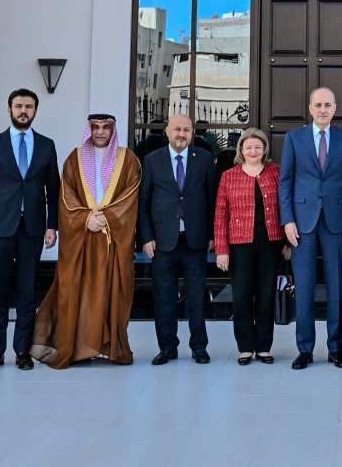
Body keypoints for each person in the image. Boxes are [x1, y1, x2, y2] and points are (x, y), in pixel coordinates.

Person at [31, 112, 141, 367]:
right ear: (89, 130)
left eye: (105, 127)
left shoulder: (128, 159)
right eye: (95, 127)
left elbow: (131, 195)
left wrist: (107, 218)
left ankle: (108, 347)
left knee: (111, 291)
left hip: (113, 238)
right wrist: (84, 220)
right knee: (75, 291)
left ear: (113, 131)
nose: (100, 132)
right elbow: (65, 196)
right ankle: (77, 347)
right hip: (82, 238)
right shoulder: (75, 159)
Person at [0, 87, 59, 371]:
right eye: (18, 106)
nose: (23, 111)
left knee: (27, 291)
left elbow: (53, 191)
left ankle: (22, 350)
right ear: (9, 110)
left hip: (32, 228)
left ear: (35, 111)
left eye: (29, 106)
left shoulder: (46, 145)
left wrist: (52, 226)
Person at [279, 86, 342, 369]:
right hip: (302, 222)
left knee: (337, 286)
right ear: (310, 108)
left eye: (328, 104)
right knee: (303, 287)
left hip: (338, 222)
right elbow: (285, 182)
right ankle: (305, 348)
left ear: (335, 108)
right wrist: (287, 220)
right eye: (318, 105)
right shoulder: (294, 138)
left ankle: (336, 348)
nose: (323, 109)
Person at [139, 112, 217, 365]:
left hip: (195, 240)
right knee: (163, 297)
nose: (181, 134)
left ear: (192, 132)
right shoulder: (152, 160)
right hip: (162, 241)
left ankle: (199, 346)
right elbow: (144, 202)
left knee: (197, 297)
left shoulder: (204, 158)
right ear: (168, 131)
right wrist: (146, 236)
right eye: (177, 130)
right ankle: (167, 347)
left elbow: (212, 199)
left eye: (186, 130)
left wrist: (211, 235)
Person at [215, 127, 286, 364]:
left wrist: (287, 242)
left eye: (258, 146)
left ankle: (264, 347)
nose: (253, 151)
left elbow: (285, 207)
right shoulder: (229, 176)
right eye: (249, 147)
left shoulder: (276, 172)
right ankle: (245, 347)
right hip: (240, 245)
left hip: (271, 243)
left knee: (266, 296)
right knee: (243, 296)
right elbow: (220, 214)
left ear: (265, 149)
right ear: (241, 150)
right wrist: (222, 250)